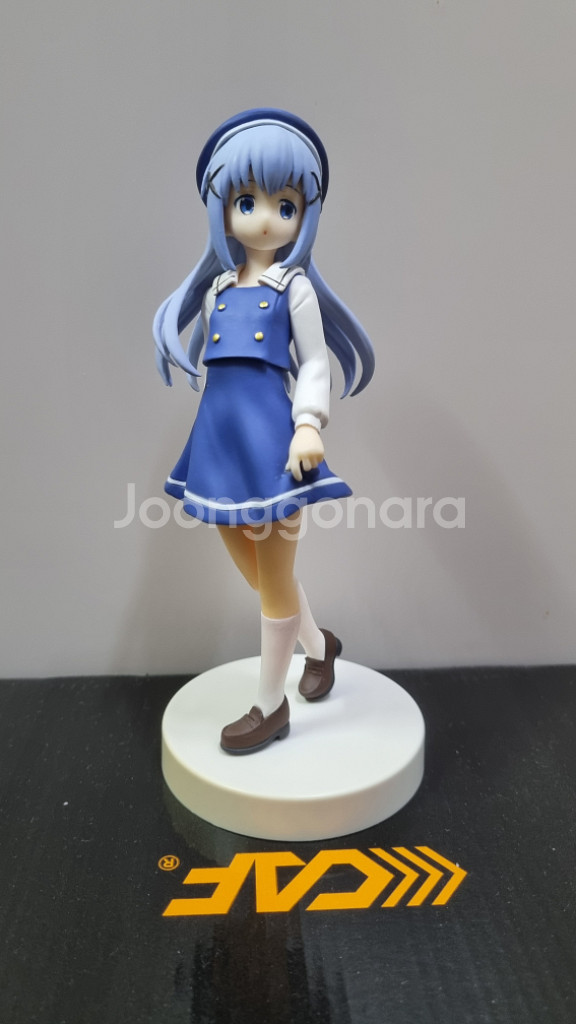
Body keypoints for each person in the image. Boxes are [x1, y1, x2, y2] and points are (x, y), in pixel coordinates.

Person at [154, 109, 374, 754]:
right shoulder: (218, 288)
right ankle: (319, 645)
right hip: (218, 447)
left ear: (305, 215)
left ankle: (270, 706)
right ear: (221, 209)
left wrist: (308, 424)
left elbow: (314, 363)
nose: (266, 219)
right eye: (247, 201)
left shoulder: (292, 288)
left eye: (287, 205)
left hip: (273, 448)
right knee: (257, 573)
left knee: (273, 579)